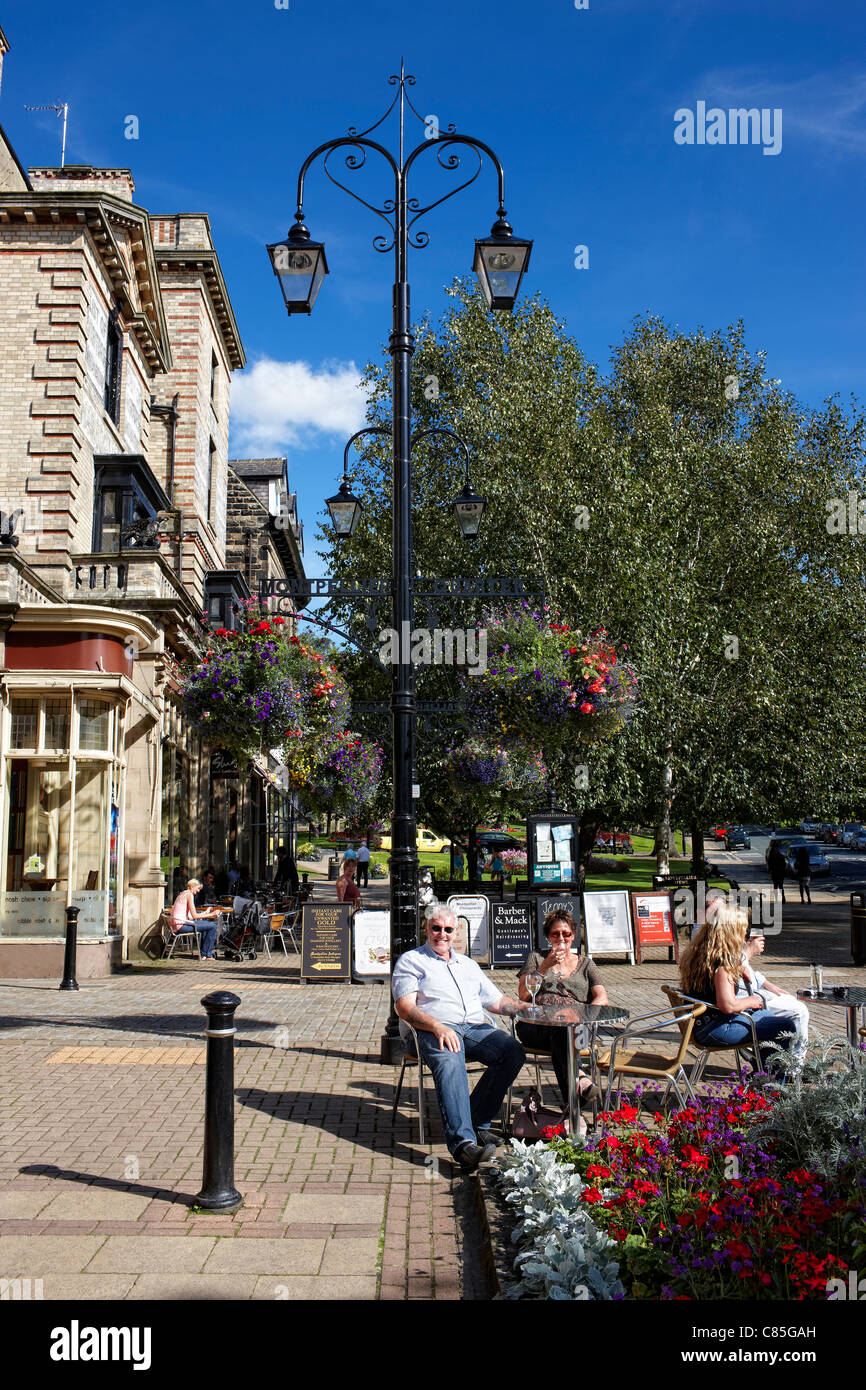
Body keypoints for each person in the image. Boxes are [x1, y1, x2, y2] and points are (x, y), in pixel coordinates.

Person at [392, 905, 527, 1172]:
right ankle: (463, 1145)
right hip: (430, 1029)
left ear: (455, 933)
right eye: (436, 928)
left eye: (448, 929)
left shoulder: (468, 965)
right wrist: (437, 1027)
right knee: (450, 1058)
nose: (442, 934)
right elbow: (404, 1008)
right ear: (426, 928)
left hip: (474, 1027)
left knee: (512, 1052)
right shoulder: (411, 960)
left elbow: (497, 1001)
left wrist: (526, 1008)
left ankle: (476, 1122)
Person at [680, 899, 795, 1072]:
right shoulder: (723, 965)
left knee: (765, 1016)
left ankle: (761, 1073)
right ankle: (771, 1083)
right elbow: (728, 1005)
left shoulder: (700, 954)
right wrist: (751, 1000)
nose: (744, 935)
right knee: (785, 1027)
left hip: (699, 1024)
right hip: (715, 1028)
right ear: (731, 933)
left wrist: (739, 967)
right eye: (742, 931)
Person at [516, 911, 606, 1110]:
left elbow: (602, 997)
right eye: (555, 934)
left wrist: (585, 1015)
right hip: (536, 1025)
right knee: (561, 1029)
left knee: (564, 1029)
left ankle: (573, 1109)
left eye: (566, 933)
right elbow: (523, 994)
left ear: (573, 935)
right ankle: (579, 1085)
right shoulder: (536, 958)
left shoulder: (586, 964)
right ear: (548, 936)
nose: (561, 938)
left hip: (576, 1027)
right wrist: (546, 965)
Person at [739, 930, 809, 1066]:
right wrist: (749, 950)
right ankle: (794, 1066)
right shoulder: (732, 953)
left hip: (755, 997)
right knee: (800, 1011)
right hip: (750, 1001)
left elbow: (750, 974)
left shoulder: (736, 953)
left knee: (791, 1000)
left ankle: (784, 1060)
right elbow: (744, 984)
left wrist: (767, 984)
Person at [170, 878, 221, 961]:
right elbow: (194, 916)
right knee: (212, 926)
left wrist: (206, 912)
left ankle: (203, 954)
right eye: (197, 889)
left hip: (178, 924)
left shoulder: (182, 894)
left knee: (206, 925)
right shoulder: (189, 895)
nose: (198, 891)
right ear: (193, 887)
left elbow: (190, 916)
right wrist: (212, 914)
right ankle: (207, 955)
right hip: (181, 926)